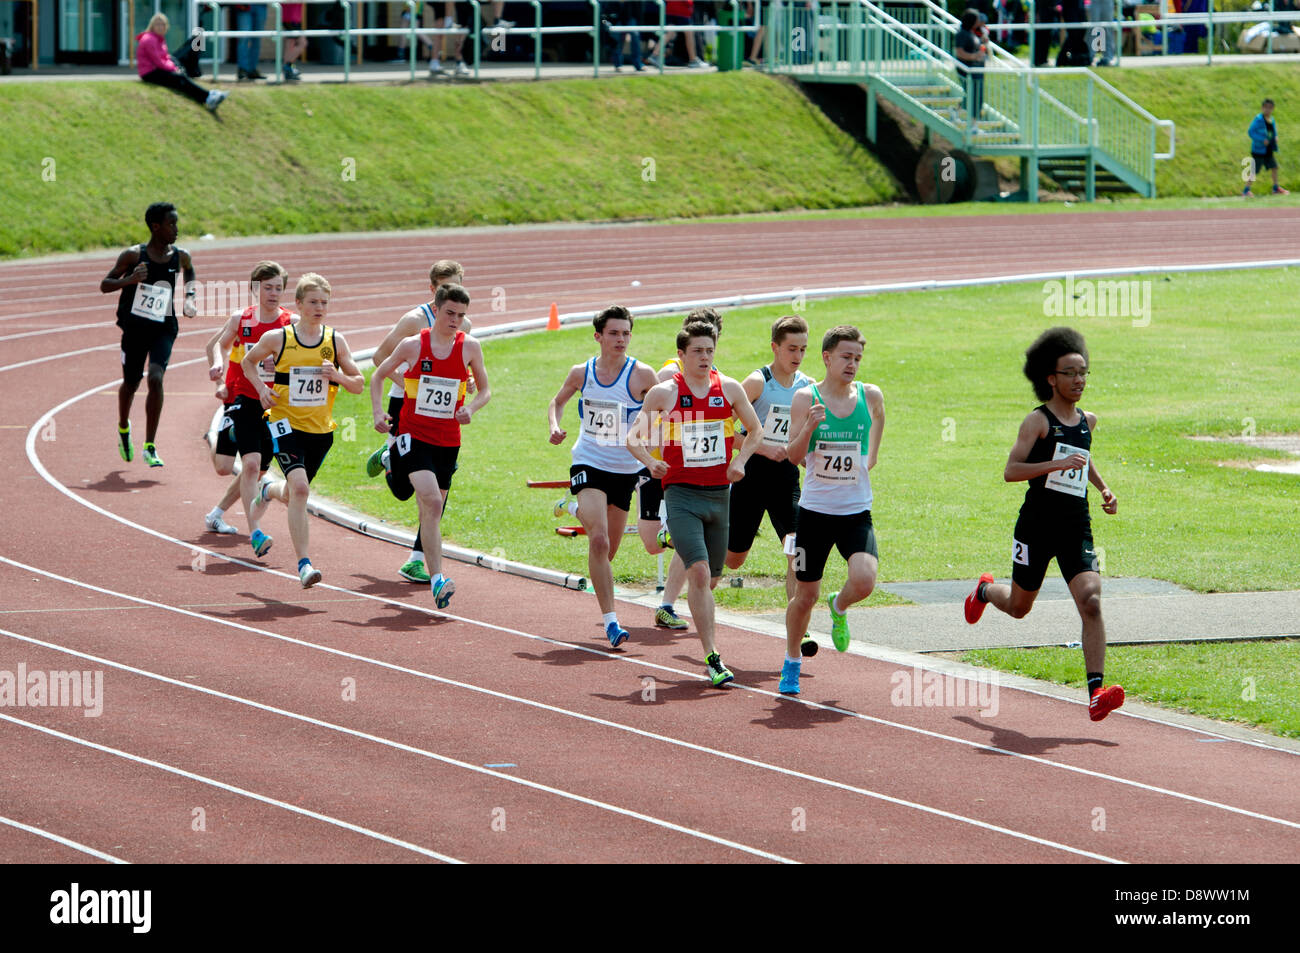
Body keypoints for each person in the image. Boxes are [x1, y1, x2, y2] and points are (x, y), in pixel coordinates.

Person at [963, 327, 1125, 722]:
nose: (1079, 380)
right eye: (1070, 373)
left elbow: (1082, 457)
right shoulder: (1036, 422)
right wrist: (1053, 463)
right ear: (1051, 378)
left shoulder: (1088, 420)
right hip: (1035, 526)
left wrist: (1104, 489)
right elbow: (1011, 471)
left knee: (1091, 601)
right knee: (1020, 608)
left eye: (1084, 372)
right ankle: (984, 591)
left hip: (1075, 526)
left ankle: (1095, 691)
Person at [627, 321, 764, 687]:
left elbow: (756, 431)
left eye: (710, 350)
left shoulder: (730, 389)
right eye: (698, 351)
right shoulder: (663, 394)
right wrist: (651, 462)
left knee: (713, 577)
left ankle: (687, 577)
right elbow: (632, 437)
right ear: (682, 355)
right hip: (682, 494)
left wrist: (739, 462)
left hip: (719, 495)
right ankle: (713, 657)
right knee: (700, 574)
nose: (705, 357)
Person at [777, 326, 884, 696]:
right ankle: (792, 661)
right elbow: (792, 456)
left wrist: (866, 463)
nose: (852, 364)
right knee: (804, 596)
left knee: (865, 579)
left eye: (857, 358)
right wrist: (808, 427)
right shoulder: (806, 398)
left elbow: (875, 437)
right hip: (815, 513)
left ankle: (838, 607)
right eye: (846, 357)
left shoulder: (870, 396)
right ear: (827, 357)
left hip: (855, 511)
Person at [241, 274, 365, 588]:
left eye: (324, 302)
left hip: (320, 430)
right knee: (300, 490)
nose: (319, 307)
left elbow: (359, 384)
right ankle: (304, 565)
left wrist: (336, 375)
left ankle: (268, 490)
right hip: (283, 423)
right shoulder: (278, 338)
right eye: (313, 302)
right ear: (298, 304)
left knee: (294, 490)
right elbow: (248, 361)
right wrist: (260, 389)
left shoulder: (335, 341)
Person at [370, 283, 490, 609]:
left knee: (432, 510)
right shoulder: (413, 345)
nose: (455, 320)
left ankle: (432, 576)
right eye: (450, 313)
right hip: (414, 434)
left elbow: (485, 391)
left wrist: (471, 408)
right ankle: (438, 578)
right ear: (436, 310)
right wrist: (379, 412)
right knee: (433, 502)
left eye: (461, 315)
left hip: (448, 440)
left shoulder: (470, 348)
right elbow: (378, 374)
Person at [547, 306, 659, 646]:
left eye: (626, 333)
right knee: (599, 540)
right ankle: (611, 622)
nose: (621, 339)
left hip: (626, 470)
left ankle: (571, 508)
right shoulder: (582, 372)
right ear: (599, 336)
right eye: (614, 333)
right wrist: (555, 425)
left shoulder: (642, 375)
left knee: (607, 553)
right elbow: (557, 401)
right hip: (588, 461)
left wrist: (650, 438)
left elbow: (664, 409)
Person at [364, 260, 470, 582]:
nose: (449, 296)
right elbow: (379, 356)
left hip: (443, 417)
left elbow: (461, 367)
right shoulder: (413, 321)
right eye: (442, 288)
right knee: (403, 492)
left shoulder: (463, 324)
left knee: (438, 494)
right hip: (405, 407)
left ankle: (416, 558)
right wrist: (408, 382)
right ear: (432, 291)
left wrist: (468, 387)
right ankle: (387, 457)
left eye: (454, 286)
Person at [725, 315, 817, 658]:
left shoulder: (807, 387)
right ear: (775, 347)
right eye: (791, 348)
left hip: (785, 481)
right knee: (734, 560)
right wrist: (760, 446)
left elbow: (807, 434)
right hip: (750, 478)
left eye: (803, 349)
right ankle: (697, 559)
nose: (797, 355)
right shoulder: (756, 383)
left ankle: (800, 627)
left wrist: (804, 453)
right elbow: (723, 429)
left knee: (795, 548)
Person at [203, 261, 295, 550]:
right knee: (234, 467)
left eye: (278, 288)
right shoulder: (242, 319)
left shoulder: (290, 323)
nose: (273, 293)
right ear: (256, 289)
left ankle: (218, 513)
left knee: (256, 469)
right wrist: (219, 365)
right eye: (268, 287)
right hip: (243, 397)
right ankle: (255, 530)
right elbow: (218, 344)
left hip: (275, 404)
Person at [100, 202, 197, 468]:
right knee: (131, 383)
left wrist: (190, 297)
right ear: (156, 227)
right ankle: (123, 426)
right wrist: (129, 280)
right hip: (134, 329)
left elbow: (189, 271)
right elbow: (105, 285)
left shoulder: (180, 256)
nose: (176, 229)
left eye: (177, 223)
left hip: (164, 328)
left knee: (155, 378)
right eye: (171, 224)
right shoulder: (133, 256)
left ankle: (150, 445)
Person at [136, 14, 228, 112]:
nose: (160, 27)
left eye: (163, 24)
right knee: (180, 78)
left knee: (180, 79)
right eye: (157, 24)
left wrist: (173, 66)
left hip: (157, 70)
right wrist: (173, 69)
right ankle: (208, 96)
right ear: (152, 26)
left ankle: (208, 96)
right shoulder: (150, 40)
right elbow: (158, 62)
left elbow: (166, 57)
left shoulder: (158, 39)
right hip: (150, 73)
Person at [1244, 98, 1288, 197]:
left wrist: (1275, 137)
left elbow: (1273, 131)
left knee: (1274, 167)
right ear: (1262, 108)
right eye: (1266, 107)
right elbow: (1251, 132)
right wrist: (1261, 140)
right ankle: (1246, 190)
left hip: (1268, 149)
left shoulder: (1271, 119)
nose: (1268, 110)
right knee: (1254, 170)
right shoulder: (1258, 119)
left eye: (1270, 108)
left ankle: (1275, 188)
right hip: (1259, 150)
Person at [954, 9, 986, 125]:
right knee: (973, 95)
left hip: (977, 70)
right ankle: (972, 125)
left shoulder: (972, 33)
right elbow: (959, 52)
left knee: (976, 96)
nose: (979, 21)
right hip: (967, 70)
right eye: (977, 19)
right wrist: (974, 56)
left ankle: (958, 113)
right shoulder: (962, 34)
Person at [235, 3, 268, 80]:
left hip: (261, 5)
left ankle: (252, 69)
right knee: (243, 38)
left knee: (257, 38)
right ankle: (243, 69)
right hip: (245, 5)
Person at [280, 3, 307, 81]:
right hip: (290, 17)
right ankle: (287, 66)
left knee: (290, 44)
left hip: (293, 17)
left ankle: (288, 70)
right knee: (302, 42)